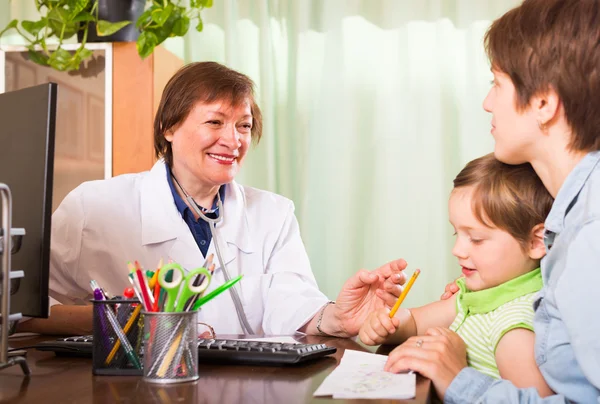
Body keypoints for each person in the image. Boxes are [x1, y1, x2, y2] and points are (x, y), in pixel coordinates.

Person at [18, 62, 406, 337]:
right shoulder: (94, 206)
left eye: (243, 125)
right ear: (169, 126)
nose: (233, 140)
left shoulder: (274, 213)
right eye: (215, 122)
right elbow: (23, 311)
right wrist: (124, 320)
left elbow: (294, 305)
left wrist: (338, 318)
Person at [384, 0, 600, 402]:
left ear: (543, 103)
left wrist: (460, 379)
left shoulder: (591, 234)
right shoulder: (572, 221)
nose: (487, 103)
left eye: (496, 83)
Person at [360, 154, 554, 397]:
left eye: (476, 238)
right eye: (456, 234)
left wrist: (456, 374)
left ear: (536, 241)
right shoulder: (483, 291)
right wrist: (388, 323)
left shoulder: (513, 328)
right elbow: (417, 322)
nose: (457, 250)